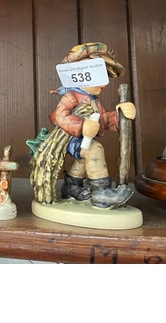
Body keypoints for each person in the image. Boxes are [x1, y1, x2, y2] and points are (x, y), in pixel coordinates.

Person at [28, 42, 136, 209]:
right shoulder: (71, 96)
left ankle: (72, 186)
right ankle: (101, 193)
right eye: (97, 75)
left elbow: (104, 119)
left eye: (105, 76)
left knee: (83, 160)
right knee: (94, 149)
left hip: (82, 139)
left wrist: (120, 115)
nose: (103, 83)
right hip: (68, 139)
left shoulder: (94, 100)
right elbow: (61, 116)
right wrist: (82, 125)